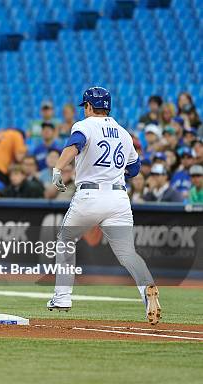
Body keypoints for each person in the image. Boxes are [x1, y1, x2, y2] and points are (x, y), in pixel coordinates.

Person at [49, 86, 161, 325]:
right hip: (119, 199)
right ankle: (146, 290)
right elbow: (134, 168)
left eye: (85, 106)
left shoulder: (84, 126)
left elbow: (74, 145)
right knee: (127, 253)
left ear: (89, 106)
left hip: (90, 195)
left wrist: (58, 167)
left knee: (66, 241)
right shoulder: (122, 132)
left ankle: (62, 298)